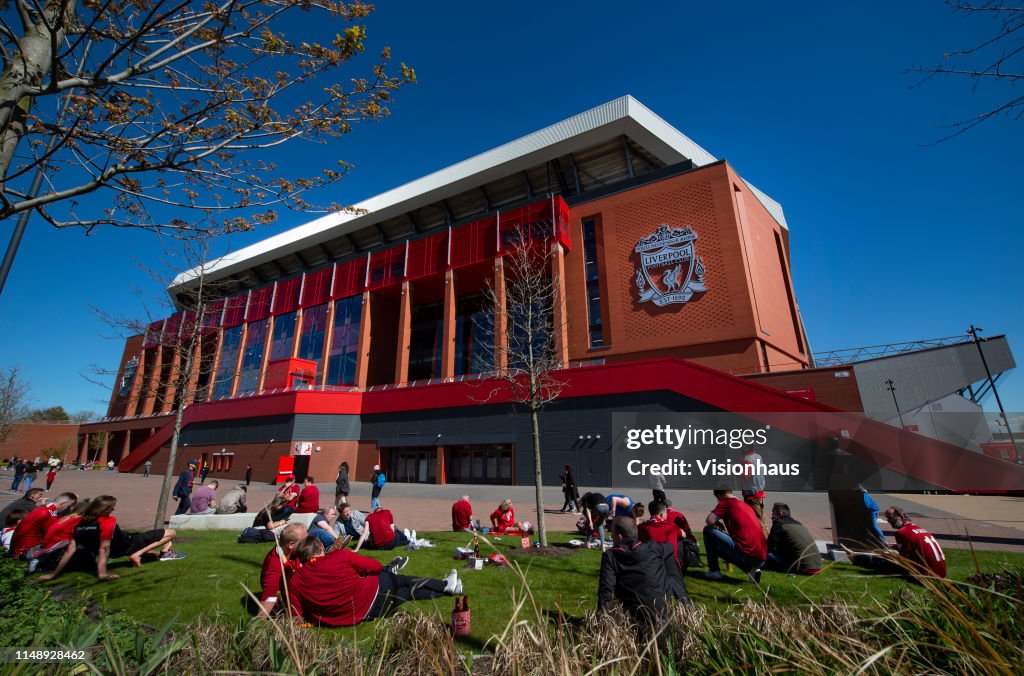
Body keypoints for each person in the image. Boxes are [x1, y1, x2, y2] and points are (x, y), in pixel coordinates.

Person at [288, 536, 462, 627]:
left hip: (364, 615)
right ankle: (445, 585)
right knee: (403, 581)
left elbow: (296, 613)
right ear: (320, 548)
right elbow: (374, 566)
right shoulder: (340, 556)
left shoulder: (295, 582)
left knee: (406, 593)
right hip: (372, 594)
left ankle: (448, 589)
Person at [46, 495, 185, 581]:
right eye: (111, 507)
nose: (113, 509)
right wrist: (102, 573)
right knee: (171, 533)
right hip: (131, 542)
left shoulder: (79, 523)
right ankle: (138, 554)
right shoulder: (107, 521)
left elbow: (70, 550)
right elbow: (104, 548)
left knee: (153, 553)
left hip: (118, 550)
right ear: (105, 509)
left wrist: (54, 574)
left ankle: (149, 554)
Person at [598, 516, 688, 622]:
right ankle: (683, 601)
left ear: (619, 536)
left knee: (667, 559)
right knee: (670, 559)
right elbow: (670, 546)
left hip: (634, 615)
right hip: (662, 611)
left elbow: (606, 590)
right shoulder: (653, 548)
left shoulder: (611, 556)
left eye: (612, 534)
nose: (612, 537)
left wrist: (604, 620)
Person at [703, 484, 767, 582]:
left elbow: (709, 520)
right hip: (761, 555)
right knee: (720, 547)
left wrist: (717, 522)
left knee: (708, 531)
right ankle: (751, 570)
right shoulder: (745, 505)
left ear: (719, 496)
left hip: (746, 551)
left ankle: (714, 571)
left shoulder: (727, 503)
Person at [257, 523, 307, 618]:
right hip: (284, 602)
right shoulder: (275, 564)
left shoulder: (294, 553)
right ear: (291, 545)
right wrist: (260, 621)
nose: (308, 544)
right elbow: (270, 594)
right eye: (304, 541)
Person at [8, 492, 79, 559]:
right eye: (69, 506)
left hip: (20, 549)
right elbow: (55, 533)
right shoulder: (47, 514)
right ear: (64, 503)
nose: (69, 509)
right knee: (67, 543)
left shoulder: (44, 510)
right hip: (25, 552)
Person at [765, 503, 821, 575]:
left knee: (764, 553)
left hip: (802, 567)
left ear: (780, 513)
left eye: (773, 514)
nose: (772, 516)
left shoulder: (779, 523)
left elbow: (769, 546)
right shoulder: (798, 523)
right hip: (817, 567)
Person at [740, 447, 768, 537]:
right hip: (759, 493)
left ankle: (766, 546)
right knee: (762, 522)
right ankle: (768, 544)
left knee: (758, 523)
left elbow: (746, 475)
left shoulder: (747, 459)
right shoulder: (758, 456)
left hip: (752, 495)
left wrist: (736, 470)